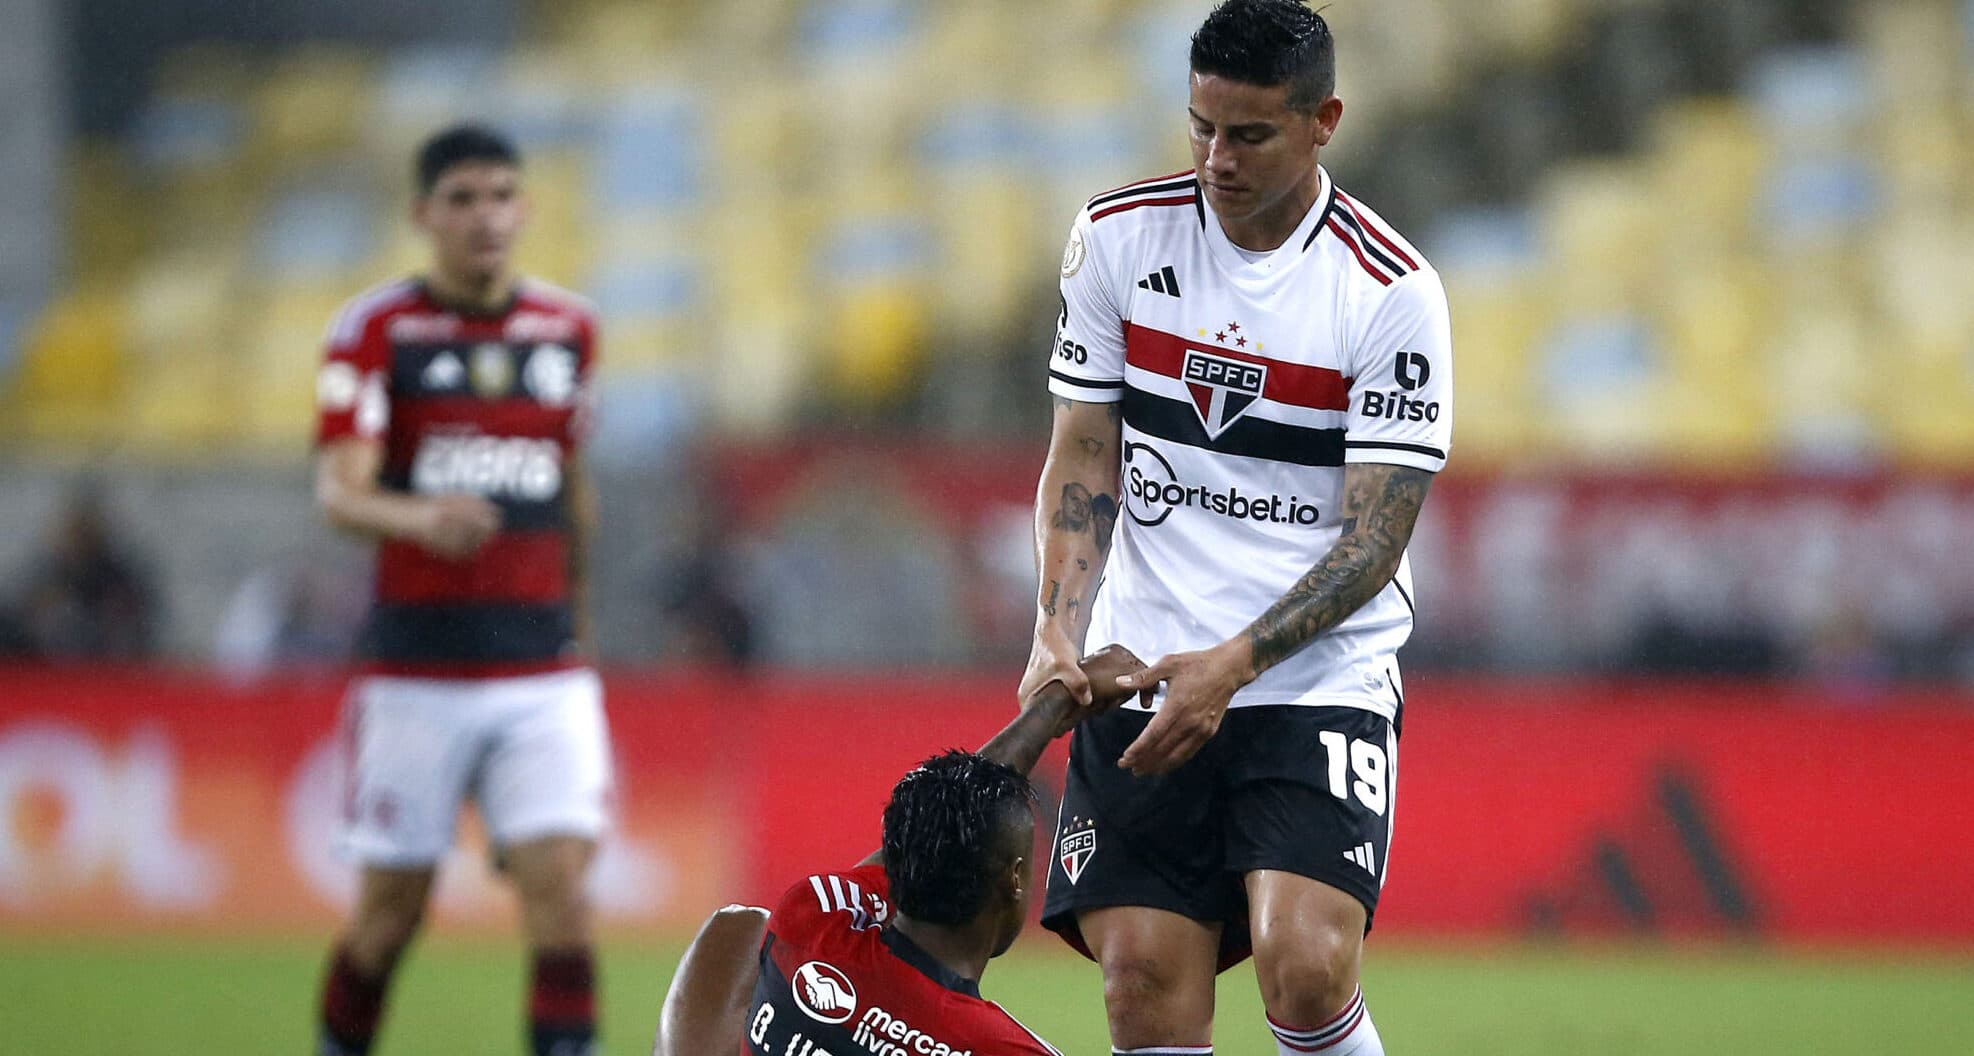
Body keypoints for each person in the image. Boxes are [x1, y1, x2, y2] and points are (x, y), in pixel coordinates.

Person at [1018, 3, 1454, 1054]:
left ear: (1323, 123)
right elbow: (1084, 450)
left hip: (1311, 676)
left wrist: (1235, 665)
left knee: (1305, 965)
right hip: (1148, 662)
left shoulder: (1390, 292)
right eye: (1201, 127)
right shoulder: (1116, 238)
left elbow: (1373, 542)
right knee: (1140, 982)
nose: (1217, 159)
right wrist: (1056, 630)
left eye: (1250, 134)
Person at [310, 124, 609, 1056]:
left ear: (523, 207)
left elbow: (570, 490)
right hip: (416, 676)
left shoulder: (569, 331)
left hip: (542, 673)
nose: (487, 217)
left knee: (562, 895)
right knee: (390, 915)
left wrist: (581, 626)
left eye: (502, 196)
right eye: (464, 199)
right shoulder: (376, 333)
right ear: (423, 214)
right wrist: (420, 517)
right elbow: (338, 490)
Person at [654, 646, 1144, 1056]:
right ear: (1015, 879)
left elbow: (940, 813)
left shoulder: (815, 922)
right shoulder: (1005, 1048)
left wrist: (1054, 706)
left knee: (737, 924)